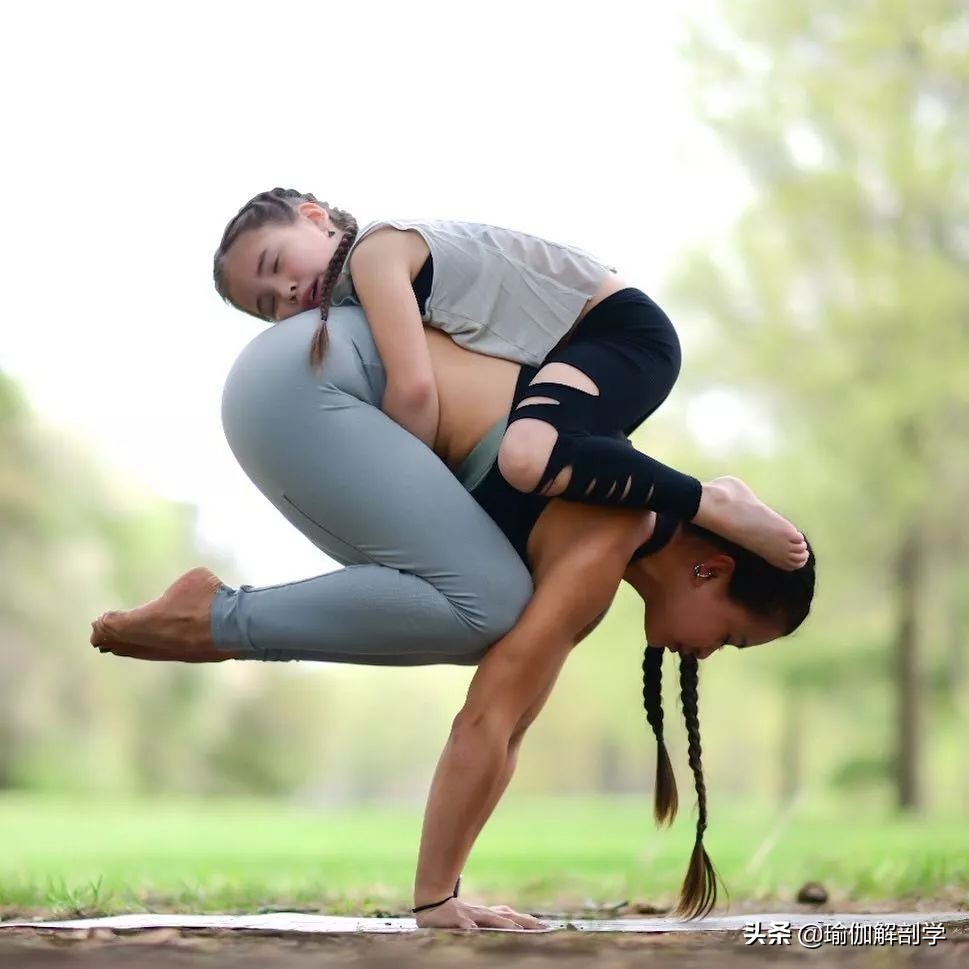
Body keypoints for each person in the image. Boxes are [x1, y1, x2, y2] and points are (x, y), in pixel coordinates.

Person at [91, 301, 816, 926]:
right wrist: (435, 898)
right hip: (312, 379)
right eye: (730, 636)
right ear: (710, 568)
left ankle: (215, 619)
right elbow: (484, 722)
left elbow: (509, 725)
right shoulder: (610, 532)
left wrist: (445, 891)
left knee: (488, 604)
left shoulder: (605, 535)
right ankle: (215, 619)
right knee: (488, 608)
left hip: (290, 381)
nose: (707, 653)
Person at [211, 188, 809, 572]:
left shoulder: (376, 253)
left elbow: (415, 389)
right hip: (573, 356)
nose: (287, 292)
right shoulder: (355, 300)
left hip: (619, 333)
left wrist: (403, 492)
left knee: (524, 458)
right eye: (268, 305)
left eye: (275, 264)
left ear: (315, 218)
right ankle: (681, 523)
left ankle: (710, 502)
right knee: (556, 475)